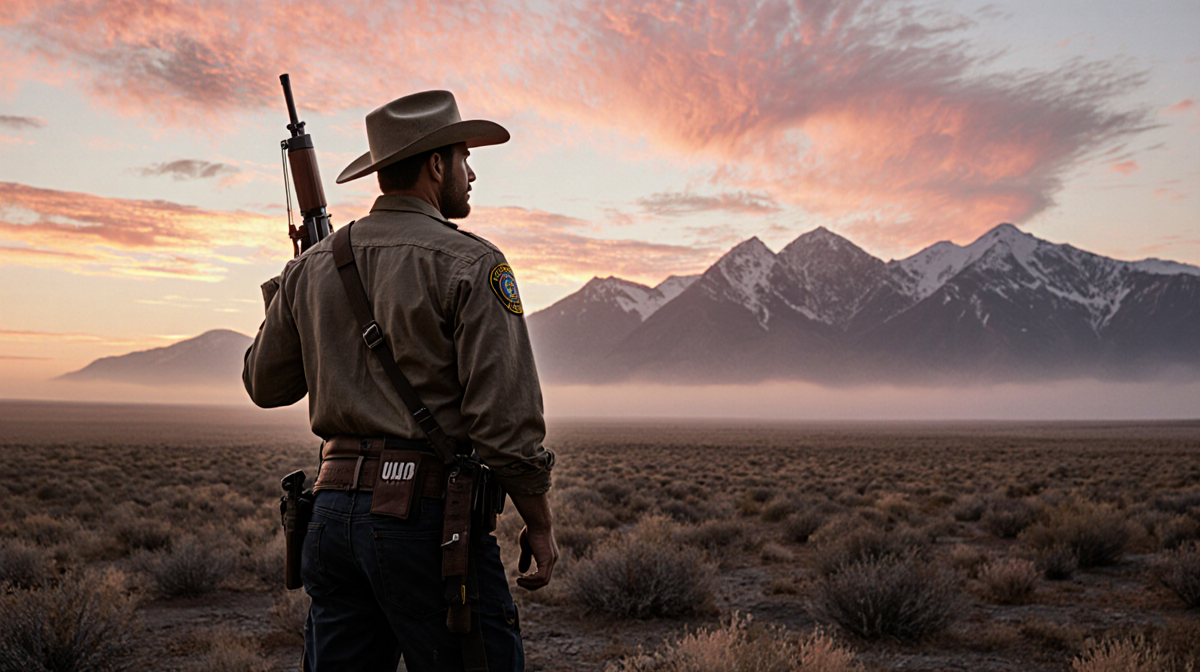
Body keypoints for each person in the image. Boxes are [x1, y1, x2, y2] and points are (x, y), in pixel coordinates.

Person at [243, 90, 558, 672]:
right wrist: (538, 523)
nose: (471, 173)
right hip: (427, 524)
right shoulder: (473, 263)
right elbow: (505, 422)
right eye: (464, 157)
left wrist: (294, 285)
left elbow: (265, 385)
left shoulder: (315, 267)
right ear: (437, 165)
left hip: (331, 516)